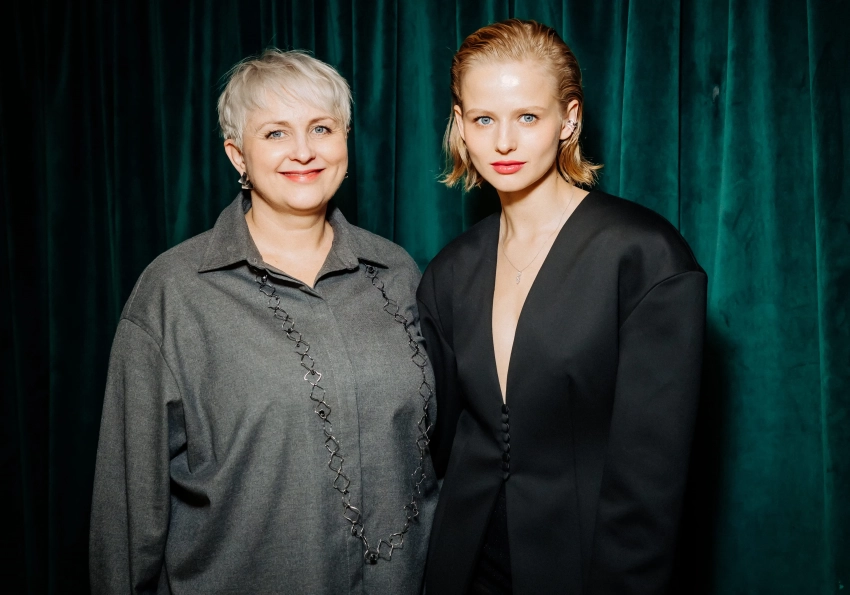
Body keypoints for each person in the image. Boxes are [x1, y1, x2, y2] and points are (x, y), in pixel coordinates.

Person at [90, 49, 437, 594]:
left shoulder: (396, 272)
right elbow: (127, 513)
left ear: (345, 141)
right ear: (238, 155)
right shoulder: (173, 292)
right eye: (275, 133)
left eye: (321, 128)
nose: (304, 150)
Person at [418, 19, 706, 594]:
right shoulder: (449, 271)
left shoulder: (645, 256)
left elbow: (651, 476)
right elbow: (445, 443)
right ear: (460, 125)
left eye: (527, 117)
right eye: (484, 119)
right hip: (461, 566)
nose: (503, 142)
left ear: (568, 120)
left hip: (587, 569)